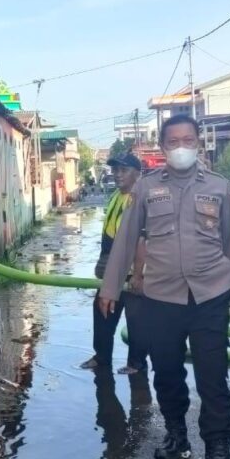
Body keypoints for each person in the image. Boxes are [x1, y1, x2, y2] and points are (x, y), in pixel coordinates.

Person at [98, 114, 230, 459]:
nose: (181, 146)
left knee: (213, 381)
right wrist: (110, 288)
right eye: (173, 141)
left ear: (198, 143)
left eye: (188, 139)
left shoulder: (218, 188)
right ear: (163, 146)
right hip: (161, 298)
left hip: (210, 296)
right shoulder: (148, 189)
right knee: (166, 374)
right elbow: (126, 239)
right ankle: (177, 438)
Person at [80, 153, 148, 374]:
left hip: (132, 273)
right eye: (115, 170)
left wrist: (138, 274)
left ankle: (136, 365)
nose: (117, 175)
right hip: (114, 271)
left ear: (138, 174)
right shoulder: (117, 197)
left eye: (123, 170)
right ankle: (101, 357)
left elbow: (142, 239)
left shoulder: (140, 199)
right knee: (102, 312)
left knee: (137, 319)